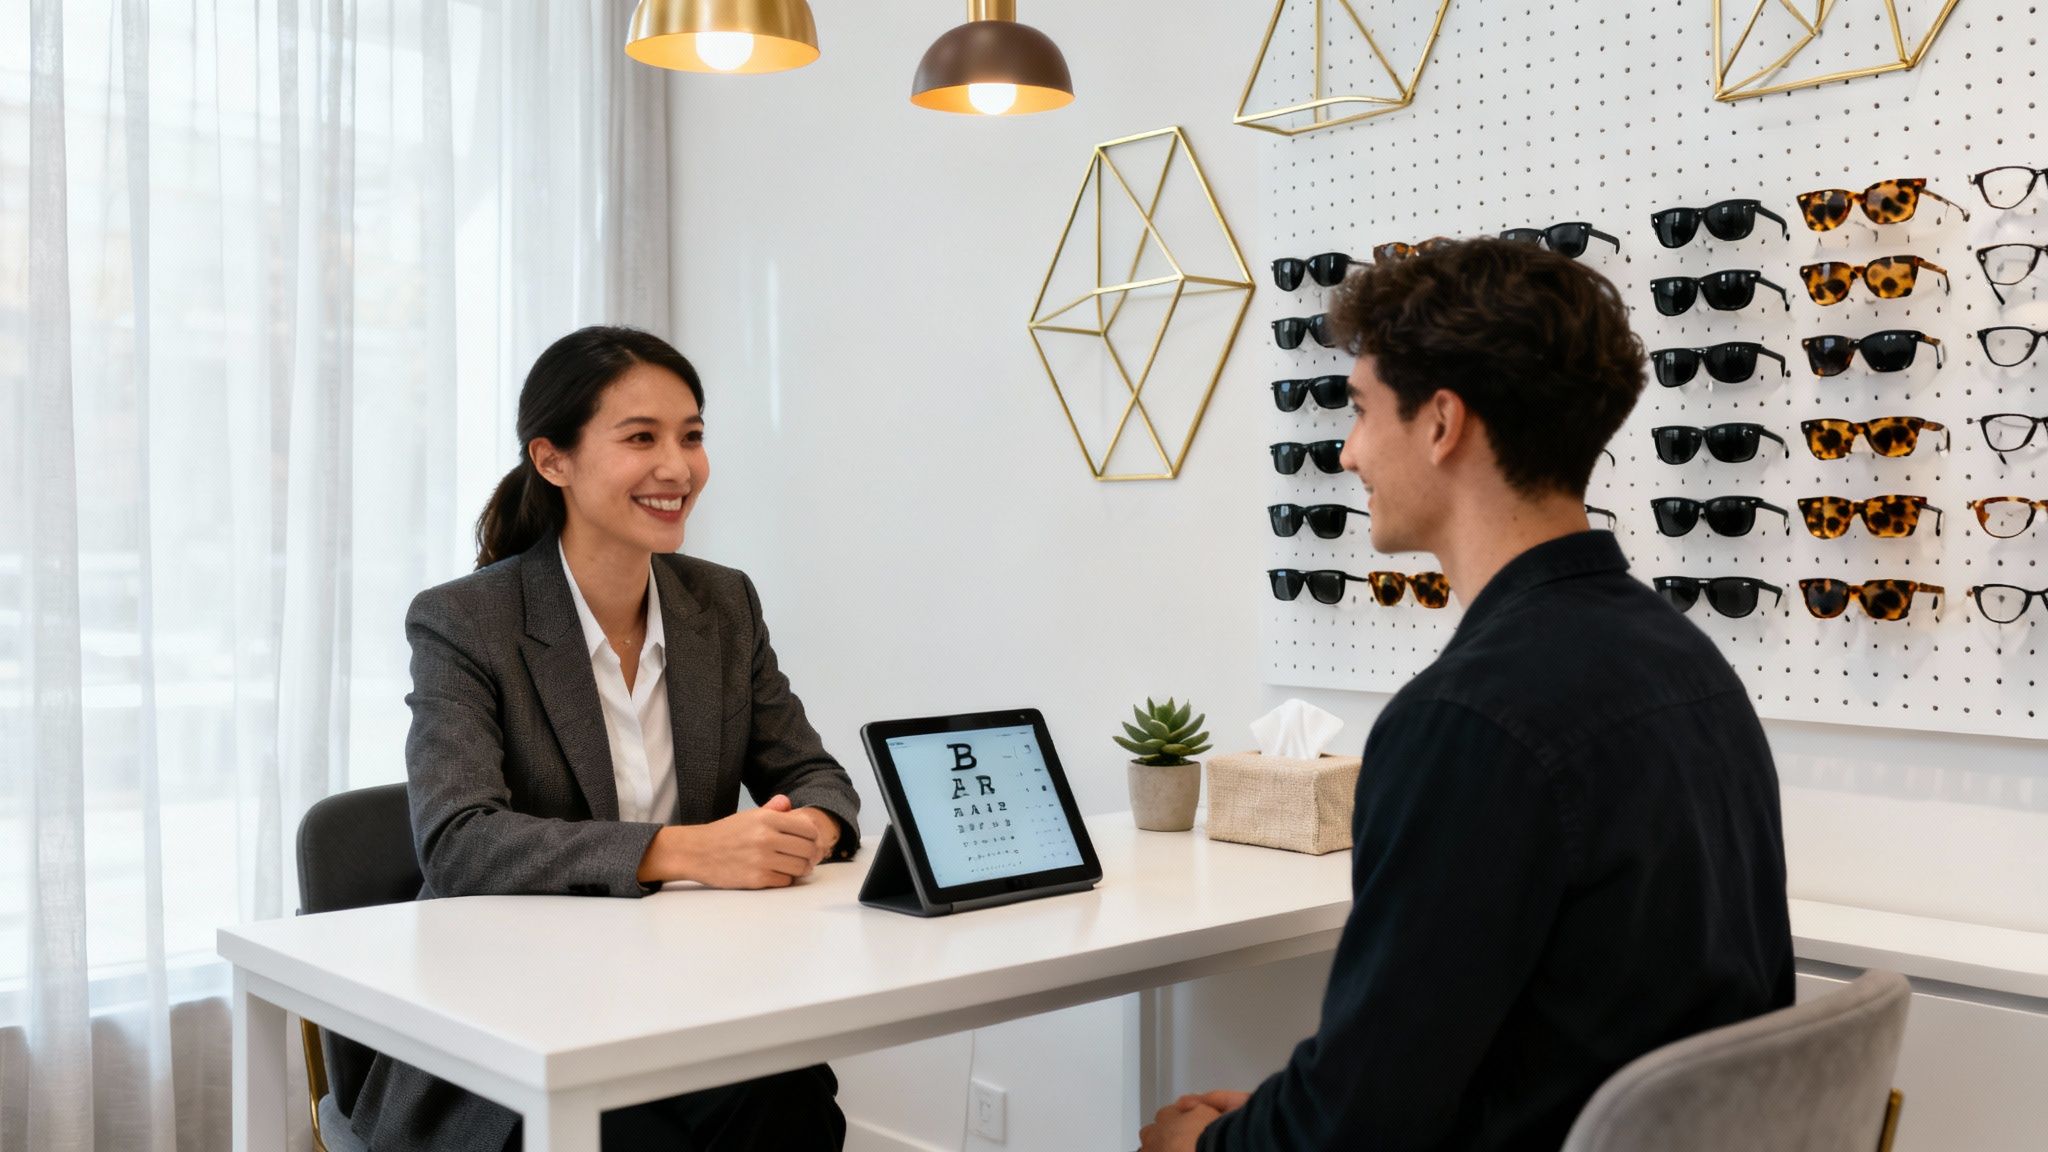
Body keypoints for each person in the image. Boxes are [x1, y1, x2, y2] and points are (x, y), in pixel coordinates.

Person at [1141, 239, 1794, 1151]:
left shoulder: (1469, 724)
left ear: (1443, 423)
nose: (1348, 451)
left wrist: (1198, 1149)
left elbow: (1360, 1129)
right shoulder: (1690, 667)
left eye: (1363, 410)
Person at [349, 326, 859, 1152]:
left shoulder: (722, 605)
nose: (678, 467)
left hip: (684, 1001)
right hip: (509, 1023)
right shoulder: (464, 621)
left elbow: (815, 774)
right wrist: (688, 851)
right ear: (552, 460)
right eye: (641, 438)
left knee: (796, 1095)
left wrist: (809, 830)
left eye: (691, 436)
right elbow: (458, 841)